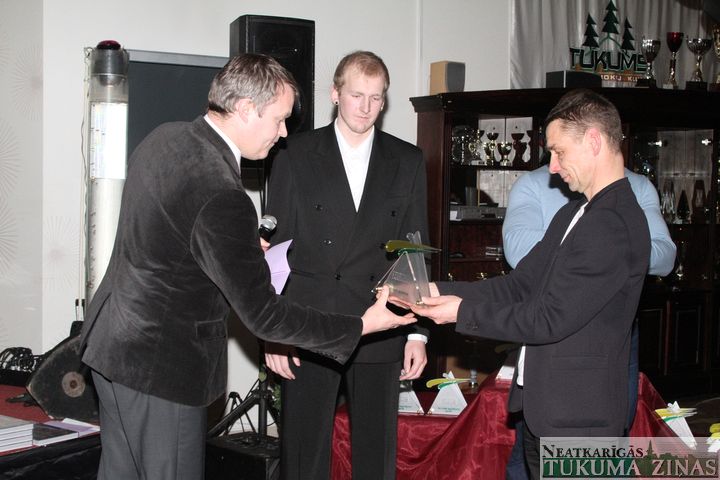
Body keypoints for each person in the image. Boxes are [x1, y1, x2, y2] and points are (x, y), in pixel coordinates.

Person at [78, 54, 416, 480]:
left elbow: (166, 237)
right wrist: (362, 326)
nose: (283, 133)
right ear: (244, 109)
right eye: (278, 119)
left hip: (111, 348)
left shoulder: (166, 136)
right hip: (162, 367)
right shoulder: (224, 194)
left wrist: (230, 247)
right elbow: (264, 315)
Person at [408, 89, 650, 480]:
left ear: (593, 141)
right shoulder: (577, 212)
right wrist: (434, 290)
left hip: (580, 420)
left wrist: (460, 312)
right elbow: (520, 286)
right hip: (548, 411)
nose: (552, 167)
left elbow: (547, 319)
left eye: (559, 152)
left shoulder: (612, 223)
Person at [264, 51, 429, 480]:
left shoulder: (407, 160)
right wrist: (274, 335)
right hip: (311, 322)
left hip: (382, 322)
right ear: (336, 94)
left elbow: (413, 249)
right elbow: (276, 252)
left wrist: (417, 332)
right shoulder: (294, 153)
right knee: (304, 458)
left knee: (377, 457)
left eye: (376, 98)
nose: (366, 107)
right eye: (357, 95)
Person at [501, 164, 676, 479]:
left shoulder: (636, 186)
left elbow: (665, 256)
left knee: (608, 440)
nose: (555, 162)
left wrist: (603, 252)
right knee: (532, 439)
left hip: (612, 332)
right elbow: (517, 252)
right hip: (551, 329)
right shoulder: (535, 183)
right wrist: (606, 250)